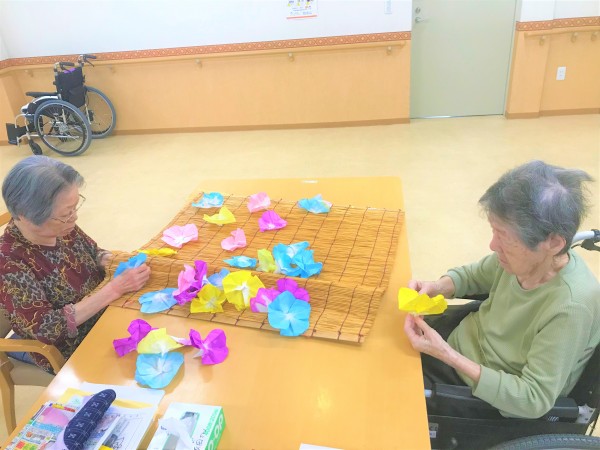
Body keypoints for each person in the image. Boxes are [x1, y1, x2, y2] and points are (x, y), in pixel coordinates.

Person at [404, 160, 600, 419]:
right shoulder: (519, 261)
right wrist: (437, 287)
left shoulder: (571, 307)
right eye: (494, 231)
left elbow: (533, 399)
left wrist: (446, 354)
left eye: (505, 237)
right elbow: (474, 276)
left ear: (553, 243)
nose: (493, 245)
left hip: (481, 392)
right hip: (458, 344)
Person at [0, 156, 151, 373]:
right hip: (71, 346)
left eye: (74, 207)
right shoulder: (9, 262)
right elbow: (48, 328)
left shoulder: (61, 226)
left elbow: (92, 251)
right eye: (65, 214)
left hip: (105, 314)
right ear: (25, 217)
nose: (74, 217)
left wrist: (109, 260)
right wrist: (115, 289)